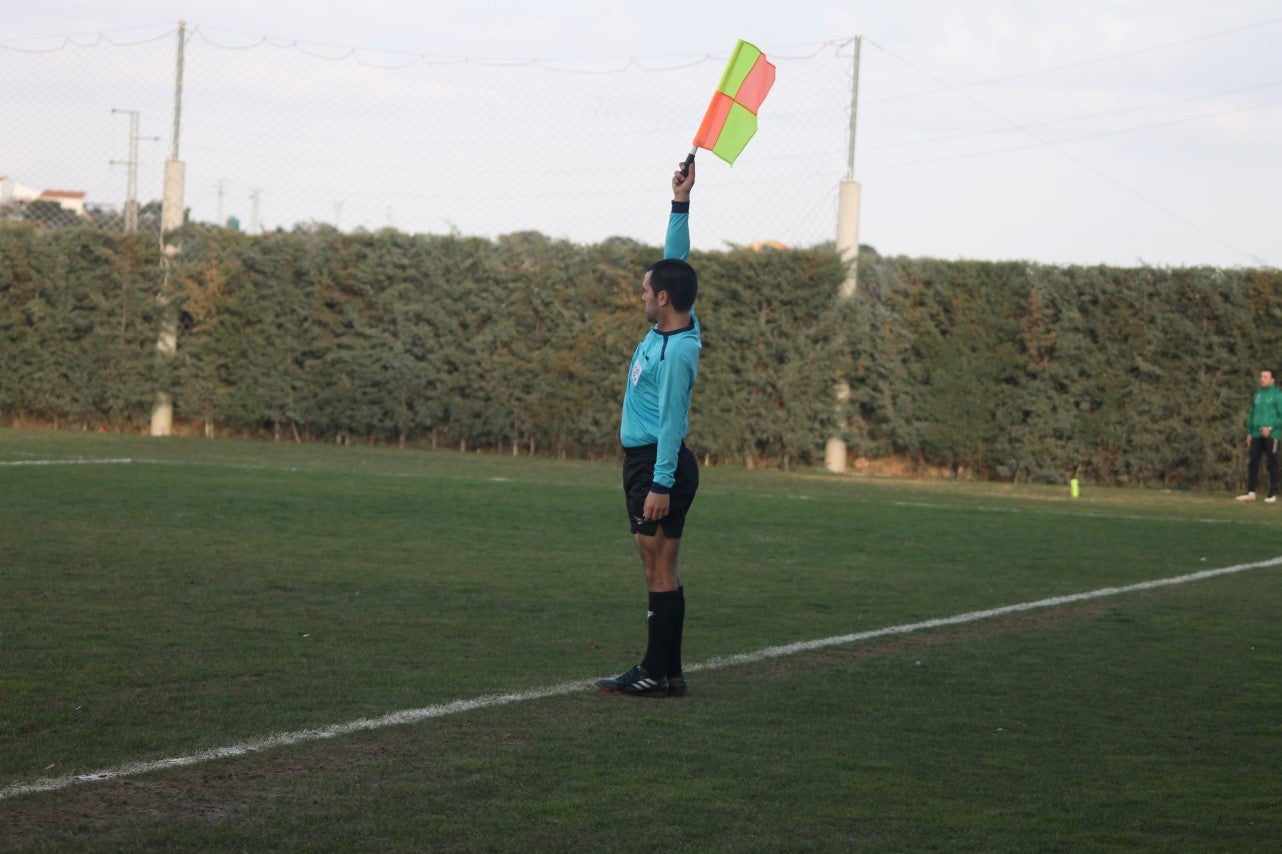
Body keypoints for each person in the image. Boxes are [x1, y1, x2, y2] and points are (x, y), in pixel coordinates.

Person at [596, 160, 701, 698]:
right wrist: (679, 202)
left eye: (645, 289)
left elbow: (671, 421)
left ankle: (654, 672)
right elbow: (674, 262)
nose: (641, 294)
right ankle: (670, 672)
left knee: (656, 567)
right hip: (649, 464)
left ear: (663, 298)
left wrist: (659, 483)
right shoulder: (673, 321)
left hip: (657, 466)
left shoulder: (677, 350)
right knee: (662, 565)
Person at [1236, 368, 1282, 503]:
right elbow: (1252, 414)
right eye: (1261, 376)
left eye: (1265, 377)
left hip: (1272, 434)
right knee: (1253, 462)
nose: (1262, 379)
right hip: (1256, 434)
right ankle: (1251, 492)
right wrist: (1250, 432)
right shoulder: (1258, 395)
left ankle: (1272, 494)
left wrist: (1270, 427)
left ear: (1272, 380)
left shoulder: (1278, 395)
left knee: (1272, 463)